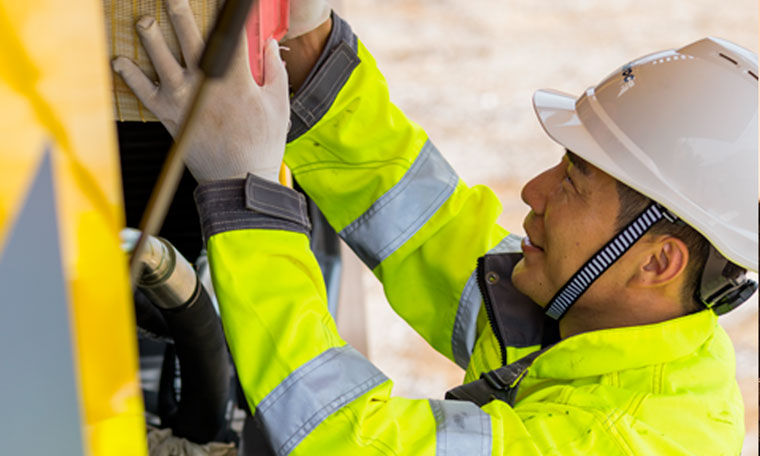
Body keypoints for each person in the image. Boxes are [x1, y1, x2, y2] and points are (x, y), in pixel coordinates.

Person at [112, 0, 758, 453]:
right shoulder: (605, 324)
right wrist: (312, 54)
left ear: (658, 262)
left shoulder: (622, 442)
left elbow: (341, 439)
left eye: (573, 184)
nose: (532, 192)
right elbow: (425, 226)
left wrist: (245, 196)